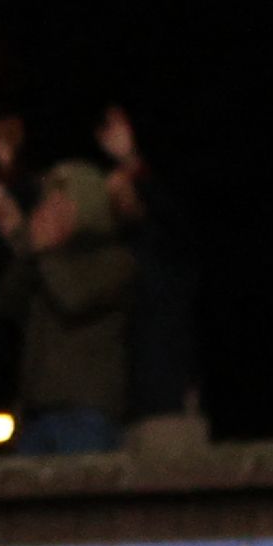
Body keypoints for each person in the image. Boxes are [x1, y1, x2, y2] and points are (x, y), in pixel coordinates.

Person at [0, 157, 136, 452]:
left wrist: (44, 250)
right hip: (35, 414)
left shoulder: (115, 259)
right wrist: (24, 243)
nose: (46, 212)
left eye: (59, 204)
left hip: (87, 413)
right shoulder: (44, 260)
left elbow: (74, 298)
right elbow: (5, 305)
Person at [97, 103, 204, 435]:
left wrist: (131, 163)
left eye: (127, 190)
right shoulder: (113, 250)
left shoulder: (165, 247)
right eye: (114, 194)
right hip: (120, 396)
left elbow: (173, 219)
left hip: (166, 387)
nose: (121, 195)